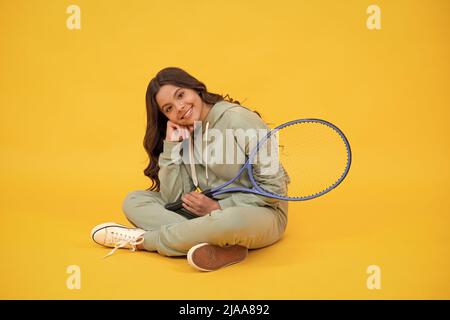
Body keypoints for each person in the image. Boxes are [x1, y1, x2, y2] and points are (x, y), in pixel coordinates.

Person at [91, 67, 289, 271]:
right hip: (209, 214)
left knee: (226, 221)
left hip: (261, 213)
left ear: (195, 88)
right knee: (135, 201)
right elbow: (173, 198)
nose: (179, 107)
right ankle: (219, 245)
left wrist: (219, 208)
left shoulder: (238, 119)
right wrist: (171, 145)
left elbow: (275, 190)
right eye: (168, 108)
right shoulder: (186, 132)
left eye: (181, 95)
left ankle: (143, 241)